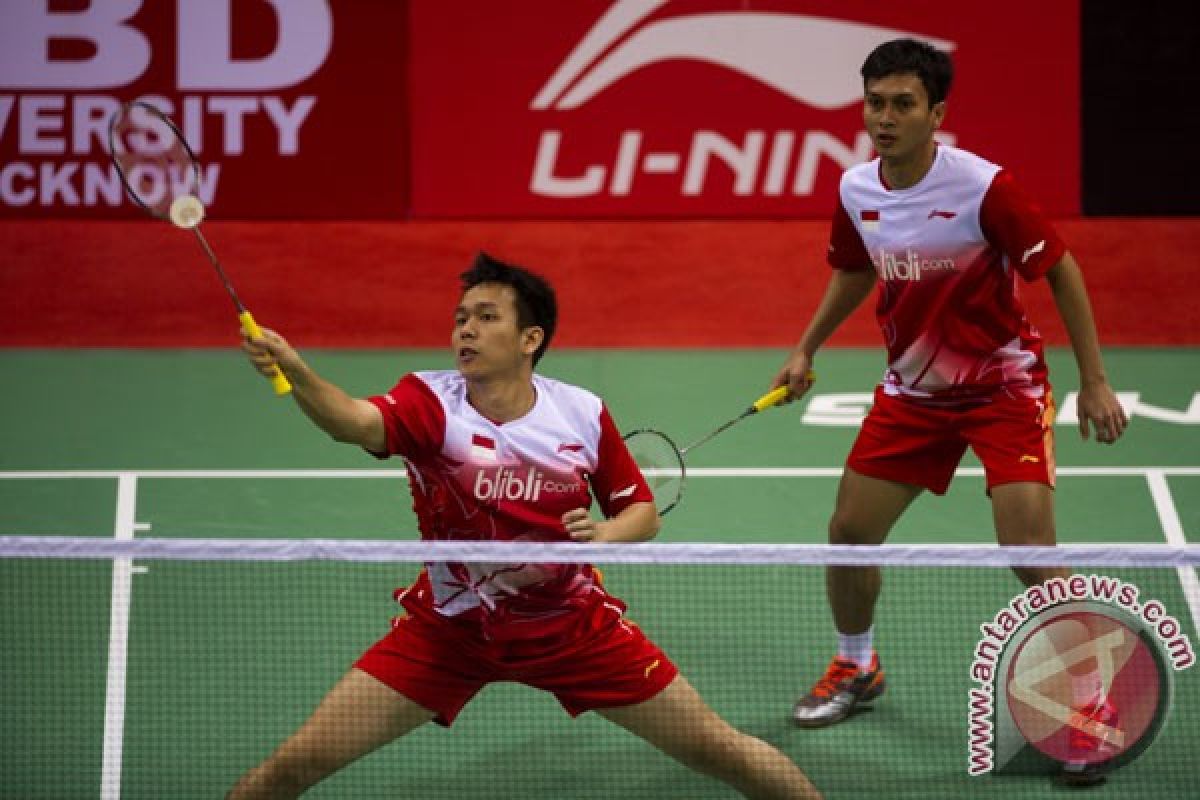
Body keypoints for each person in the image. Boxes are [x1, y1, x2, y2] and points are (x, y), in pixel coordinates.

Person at [229, 253, 822, 799]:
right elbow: (352, 422)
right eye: (461, 317)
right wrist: (297, 371)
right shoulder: (429, 403)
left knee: (720, 749)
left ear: (529, 339)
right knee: (296, 763)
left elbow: (639, 512)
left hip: (574, 632)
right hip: (449, 634)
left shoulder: (580, 413)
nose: (466, 329)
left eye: (487, 318)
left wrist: (604, 535)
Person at [770, 39, 1128, 780]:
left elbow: (1060, 267)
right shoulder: (856, 189)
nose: (886, 118)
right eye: (876, 103)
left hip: (1003, 391)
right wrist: (806, 348)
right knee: (848, 534)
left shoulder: (982, 187)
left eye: (904, 104)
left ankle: (1092, 701)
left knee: (1028, 551)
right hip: (914, 396)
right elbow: (854, 268)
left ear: (937, 113)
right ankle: (856, 666)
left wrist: (1094, 381)